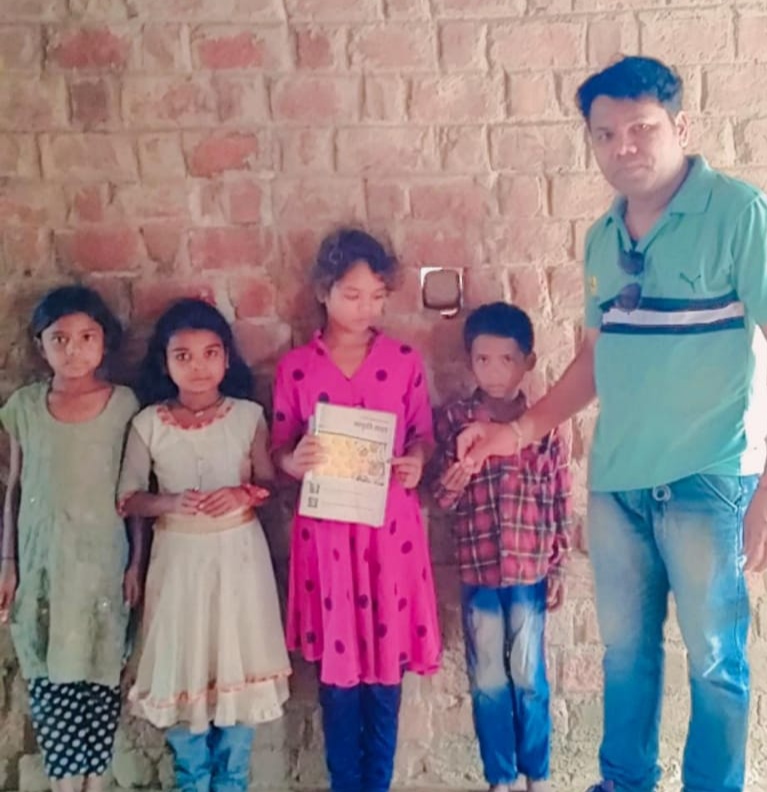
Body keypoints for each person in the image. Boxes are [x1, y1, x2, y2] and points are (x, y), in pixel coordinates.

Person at [457, 55, 767, 792]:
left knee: (714, 661)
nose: (622, 147)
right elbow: (594, 360)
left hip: (710, 477)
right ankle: (625, 782)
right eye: (605, 134)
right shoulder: (603, 237)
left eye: (641, 128)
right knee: (624, 655)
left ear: (680, 127)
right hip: (617, 482)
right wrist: (515, 432)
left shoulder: (739, 213)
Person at [271, 228, 441, 792]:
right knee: (338, 678)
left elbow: (422, 435)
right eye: (352, 294)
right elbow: (278, 448)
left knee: (385, 675)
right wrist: (293, 460)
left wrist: (415, 462)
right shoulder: (297, 368)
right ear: (324, 292)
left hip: (389, 536)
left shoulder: (404, 361)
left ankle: (378, 783)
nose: (365, 307)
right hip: (327, 539)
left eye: (376, 296)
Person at [118, 298, 290, 792]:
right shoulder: (148, 423)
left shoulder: (248, 416)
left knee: (239, 662)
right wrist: (170, 501)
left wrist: (241, 494)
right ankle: (191, 779)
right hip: (177, 563)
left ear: (227, 359)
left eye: (210, 353)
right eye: (183, 356)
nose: (198, 366)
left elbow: (269, 482)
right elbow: (128, 499)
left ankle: (232, 780)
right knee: (183, 667)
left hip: (239, 559)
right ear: (164, 362)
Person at [0, 284, 142, 792]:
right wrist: (8, 563)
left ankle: (93, 784)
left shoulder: (124, 405)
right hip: (43, 568)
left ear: (105, 342)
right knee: (50, 686)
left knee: (100, 685)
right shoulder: (25, 407)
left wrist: (136, 565)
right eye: (59, 338)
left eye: (87, 337)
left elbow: (134, 493)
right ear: (40, 345)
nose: (74, 350)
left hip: (103, 567)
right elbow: (15, 488)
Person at [431, 302, 571, 792]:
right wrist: (456, 478)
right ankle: (500, 778)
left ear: (527, 362)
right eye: (483, 360)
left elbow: (559, 497)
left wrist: (558, 566)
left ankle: (538, 775)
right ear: (468, 361)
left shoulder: (543, 423)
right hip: (479, 572)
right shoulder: (454, 420)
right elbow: (440, 498)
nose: (493, 372)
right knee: (488, 677)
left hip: (531, 571)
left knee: (528, 675)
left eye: (506, 360)